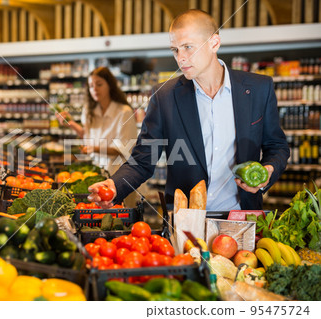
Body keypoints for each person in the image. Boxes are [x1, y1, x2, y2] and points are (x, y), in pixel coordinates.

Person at [88, 9, 290, 211]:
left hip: (242, 214)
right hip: (185, 218)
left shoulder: (258, 88)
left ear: (214, 43)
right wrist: (114, 185)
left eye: (187, 47)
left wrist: (267, 171)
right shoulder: (164, 96)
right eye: (175, 50)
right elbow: (143, 159)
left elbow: (277, 145)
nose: (180, 58)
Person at [56, 66, 139, 205]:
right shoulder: (89, 110)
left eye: (99, 84)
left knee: (121, 217)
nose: (94, 89)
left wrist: (94, 149)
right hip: (98, 175)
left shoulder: (124, 112)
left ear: (110, 86)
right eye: (91, 85)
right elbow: (87, 136)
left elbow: (124, 148)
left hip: (120, 177)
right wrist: (71, 124)